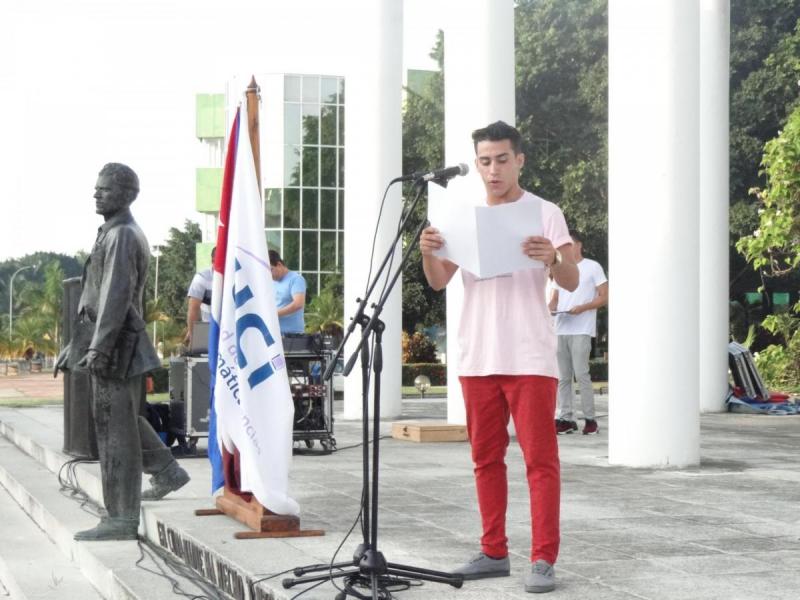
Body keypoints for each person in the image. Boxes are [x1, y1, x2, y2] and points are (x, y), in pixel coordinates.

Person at [419, 121, 578, 594]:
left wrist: (552, 257)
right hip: (477, 356)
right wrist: (429, 251)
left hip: (529, 355)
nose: (493, 170)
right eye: (485, 161)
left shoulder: (545, 212)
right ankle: (493, 551)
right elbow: (436, 280)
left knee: (540, 461)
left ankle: (543, 558)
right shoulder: (461, 216)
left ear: (520, 160)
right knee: (485, 459)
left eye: (502, 159)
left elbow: (570, 281)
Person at [56, 163, 190, 541]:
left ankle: (121, 518)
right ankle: (166, 470)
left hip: (117, 348)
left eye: (105, 189)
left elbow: (115, 296)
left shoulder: (124, 236)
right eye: (96, 188)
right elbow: (94, 297)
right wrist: (77, 344)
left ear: (127, 194)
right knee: (124, 423)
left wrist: (98, 348)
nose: (96, 194)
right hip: (114, 344)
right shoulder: (112, 233)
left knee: (116, 436)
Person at [549, 230, 608, 436]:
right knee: (563, 377)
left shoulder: (593, 267)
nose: (564, 250)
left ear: (578, 245)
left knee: (581, 374)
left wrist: (583, 308)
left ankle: (590, 420)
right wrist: (550, 308)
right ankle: (566, 419)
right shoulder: (558, 269)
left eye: (568, 245)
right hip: (561, 326)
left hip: (581, 329)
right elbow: (555, 298)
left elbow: (604, 296)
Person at [268, 249, 306, 334]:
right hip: (274, 333)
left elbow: (298, 304)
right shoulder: (271, 282)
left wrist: (274, 314)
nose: (269, 274)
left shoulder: (296, 279)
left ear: (279, 264)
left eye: (271, 270)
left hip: (292, 335)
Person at [184, 247, 215, 347]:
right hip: (209, 328)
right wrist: (193, 334)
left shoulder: (236, 277)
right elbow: (194, 308)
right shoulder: (202, 278)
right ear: (212, 261)